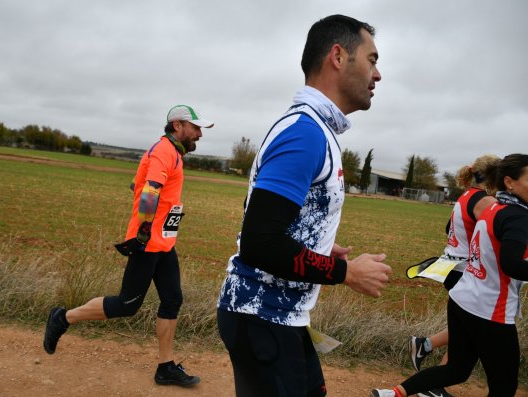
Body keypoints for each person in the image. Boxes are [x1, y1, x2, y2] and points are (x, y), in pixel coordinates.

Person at [216, 15, 392, 397]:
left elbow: (267, 218)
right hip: (260, 314)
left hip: (281, 316)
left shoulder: (316, 130)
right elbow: (259, 241)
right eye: (372, 59)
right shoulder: (305, 133)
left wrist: (317, 246)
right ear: (337, 56)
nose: (377, 74)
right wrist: (344, 271)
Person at [43, 105, 214, 387]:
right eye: (195, 128)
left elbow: (136, 185)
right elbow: (148, 192)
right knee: (126, 304)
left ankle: (165, 367)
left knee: (172, 299)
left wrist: (162, 220)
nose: (199, 134)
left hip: (164, 242)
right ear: (177, 126)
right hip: (147, 243)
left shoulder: (173, 154)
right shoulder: (163, 151)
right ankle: (62, 318)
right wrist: (144, 232)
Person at [372, 153, 528, 397]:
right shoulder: (515, 216)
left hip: (462, 297)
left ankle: (390, 394)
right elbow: (511, 264)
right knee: (504, 387)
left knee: (456, 369)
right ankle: (423, 348)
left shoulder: (492, 206)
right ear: (509, 182)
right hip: (490, 309)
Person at [408, 155, 499, 397]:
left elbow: (449, 229)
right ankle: (436, 383)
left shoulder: (467, 195)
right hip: (463, 270)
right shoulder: (487, 201)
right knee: (473, 329)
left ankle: (425, 348)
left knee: (466, 327)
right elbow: (493, 232)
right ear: (496, 177)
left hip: (450, 265)